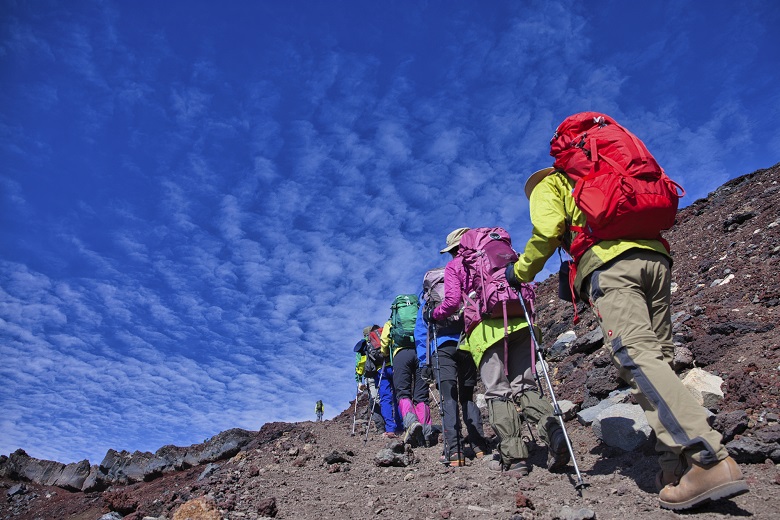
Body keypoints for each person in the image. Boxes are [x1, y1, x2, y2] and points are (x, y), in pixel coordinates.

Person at [505, 164, 748, 509]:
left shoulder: (550, 184)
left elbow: (547, 230)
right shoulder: (606, 170)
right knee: (658, 359)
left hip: (609, 264)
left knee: (636, 356)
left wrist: (520, 271)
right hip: (655, 258)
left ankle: (706, 459)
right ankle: (673, 470)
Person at [429, 228, 569, 478]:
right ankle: (554, 433)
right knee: (525, 386)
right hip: (521, 321)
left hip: (485, 329)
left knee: (497, 391)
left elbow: (451, 303)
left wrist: (435, 315)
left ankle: (514, 458)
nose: (452, 256)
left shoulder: (457, 265)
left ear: (456, 248)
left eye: (451, 251)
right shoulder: (502, 252)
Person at [415, 282, 490, 467]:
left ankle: (454, 451)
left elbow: (421, 331)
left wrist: (424, 362)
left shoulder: (426, 297)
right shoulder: (460, 286)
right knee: (467, 397)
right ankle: (479, 446)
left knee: (448, 397)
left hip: (441, 349)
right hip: (466, 344)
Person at [381, 313, 433, 447]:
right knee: (422, 396)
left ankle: (411, 424)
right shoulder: (418, 316)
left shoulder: (391, 322)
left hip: (401, 355)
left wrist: (385, 353)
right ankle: (426, 433)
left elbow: (384, 343)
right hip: (421, 354)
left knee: (403, 393)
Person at [359, 325, 402, 438]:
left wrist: (360, 376)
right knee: (398, 396)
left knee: (385, 399)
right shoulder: (384, 333)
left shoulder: (369, 342)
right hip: (393, 365)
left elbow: (364, 362)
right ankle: (400, 426)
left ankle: (390, 428)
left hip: (380, 371)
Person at [353, 333, 385, 432]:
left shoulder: (362, 345)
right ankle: (392, 421)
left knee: (374, 401)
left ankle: (381, 427)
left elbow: (359, 364)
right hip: (383, 370)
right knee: (386, 396)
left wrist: (358, 381)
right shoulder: (378, 339)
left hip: (370, 374)